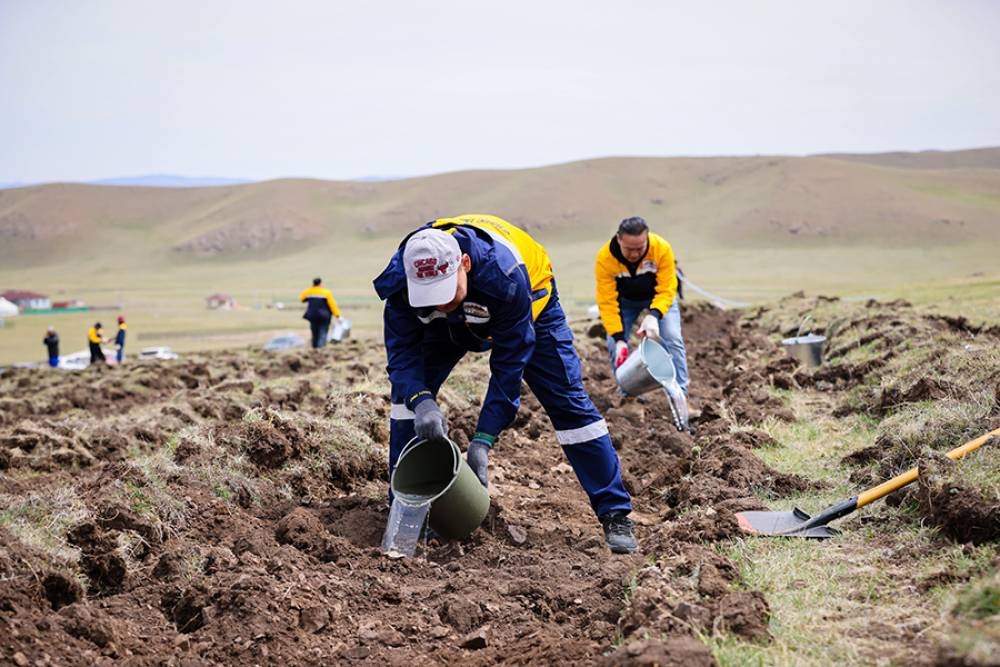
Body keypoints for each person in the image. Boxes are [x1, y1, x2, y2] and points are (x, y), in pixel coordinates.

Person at [373, 214, 637, 554]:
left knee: (568, 403)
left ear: (464, 264)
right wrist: (421, 400)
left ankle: (614, 512)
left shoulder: (505, 276)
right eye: (430, 296)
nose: (441, 302)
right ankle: (407, 513)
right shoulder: (401, 282)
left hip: (530, 303)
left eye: (446, 291)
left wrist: (483, 440)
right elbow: (401, 353)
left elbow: (509, 367)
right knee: (405, 403)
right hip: (448, 327)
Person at [595, 216, 690, 397]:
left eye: (639, 248)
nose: (634, 254)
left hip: (659, 298)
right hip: (625, 303)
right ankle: (627, 396)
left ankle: (680, 394)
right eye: (629, 249)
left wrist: (654, 315)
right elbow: (607, 302)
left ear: (647, 239)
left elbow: (667, 288)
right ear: (618, 239)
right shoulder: (605, 258)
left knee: (673, 338)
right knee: (614, 345)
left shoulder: (661, 249)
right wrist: (619, 338)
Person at [299, 278, 341, 349]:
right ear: (321, 283)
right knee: (323, 333)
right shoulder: (326, 292)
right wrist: (337, 315)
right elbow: (332, 305)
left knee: (314, 333)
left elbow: (301, 299)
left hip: (312, 316)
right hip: (324, 316)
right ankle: (321, 349)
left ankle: (314, 349)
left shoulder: (309, 291)